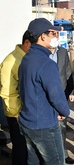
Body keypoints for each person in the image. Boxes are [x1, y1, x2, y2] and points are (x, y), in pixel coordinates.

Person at [18, 18, 70, 165]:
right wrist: (64, 111)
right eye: (53, 34)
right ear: (43, 36)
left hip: (28, 121)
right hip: (44, 124)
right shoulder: (46, 63)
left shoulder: (26, 59)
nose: (56, 37)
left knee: (34, 161)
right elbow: (56, 95)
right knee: (56, 161)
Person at [0, 31, 32, 165]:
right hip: (17, 115)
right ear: (26, 43)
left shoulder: (27, 58)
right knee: (21, 149)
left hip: (28, 113)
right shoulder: (11, 61)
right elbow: (7, 91)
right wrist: (16, 114)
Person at [49, 39, 74, 164]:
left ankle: (63, 154)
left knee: (62, 126)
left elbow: (67, 72)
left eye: (56, 34)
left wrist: (71, 92)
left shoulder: (63, 51)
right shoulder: (40, 53)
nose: (55, 37)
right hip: (45, 96)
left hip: (61, 94)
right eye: (52, 34)